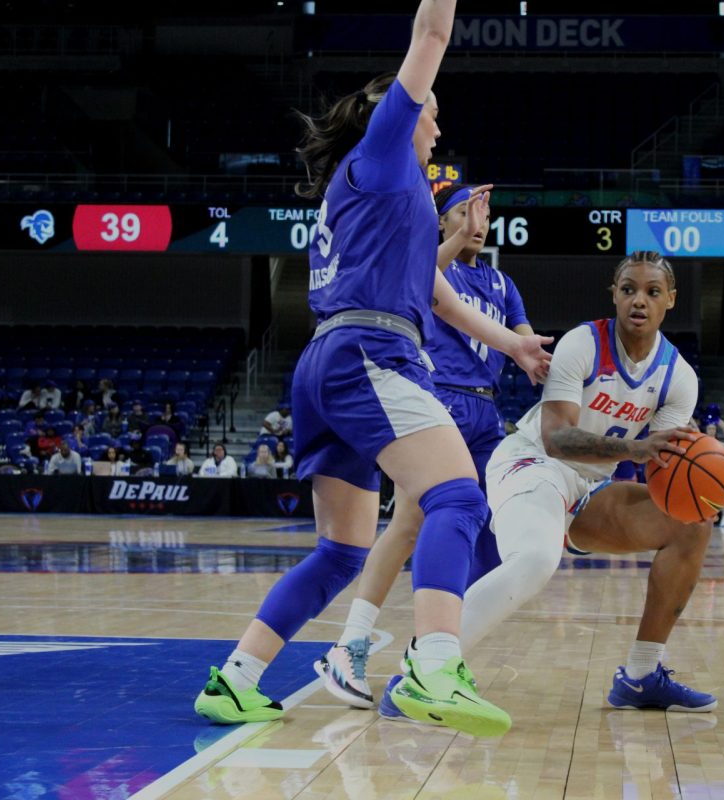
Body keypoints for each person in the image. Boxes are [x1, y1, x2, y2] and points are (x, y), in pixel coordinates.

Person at [193, 0, 552, 739]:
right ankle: (435, 665)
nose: (437, 125)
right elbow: (432, 30)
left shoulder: (392, 199)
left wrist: (512, 345)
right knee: (457, 499)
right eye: (431, 113)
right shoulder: (385, 153)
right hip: (368, 355)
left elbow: (438, 298)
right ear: (396, 111)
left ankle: (236, 678)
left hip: (330, 360)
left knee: (341, 550)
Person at [372, 252, 712, 722]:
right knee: (534, 559)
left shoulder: (679, 377)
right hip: (531, 463)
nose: (639, 300)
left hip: (589, 491)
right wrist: (636, 451)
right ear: (614, 294)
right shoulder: (583, 343)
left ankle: (640, 675)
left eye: (652, 292)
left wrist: (702, 474)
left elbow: (664, 471)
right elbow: (556, 440)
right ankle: (422, 672)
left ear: (670, 300)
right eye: (629, 289)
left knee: (692, 523)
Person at [316, 178, 533, 709]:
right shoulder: (434, 262)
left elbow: (524, 340)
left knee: (487, 543)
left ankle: (433, 659)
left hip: (488, 410)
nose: (476, 223)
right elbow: (421, 274)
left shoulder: (504, 285)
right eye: (464, 212)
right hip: (440, 399)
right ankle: (351, 643)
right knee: (411, 521)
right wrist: (459, 237)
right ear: (442, 220)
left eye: (483, 214)